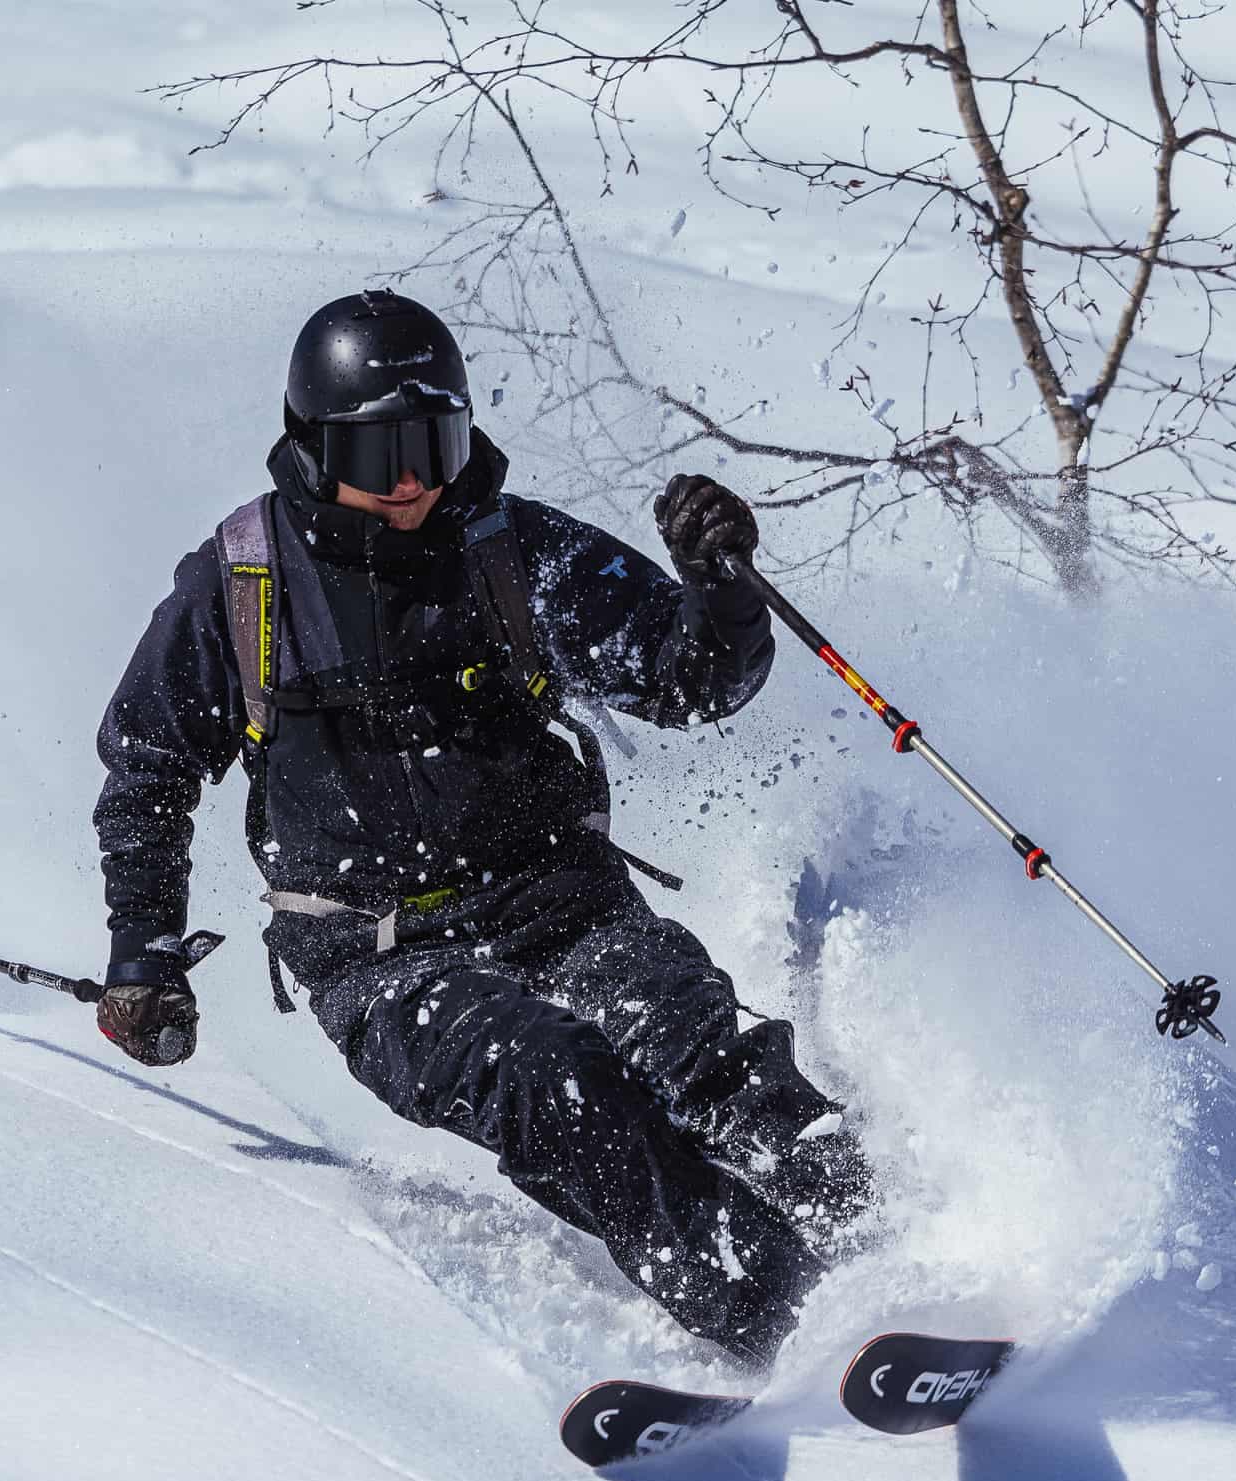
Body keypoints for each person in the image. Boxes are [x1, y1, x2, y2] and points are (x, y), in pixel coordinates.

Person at [91, 290, 870, 1362]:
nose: (413, 480)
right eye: (380, 455)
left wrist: (719, 594)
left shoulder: (515, 548)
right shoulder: (244, 584)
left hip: (563, 904)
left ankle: (881, 1252)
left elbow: (682, 682)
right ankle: (788, 1319)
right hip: (378, 959)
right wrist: (144, 954)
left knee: (696, 1050)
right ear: (313, 448)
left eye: (436, 443)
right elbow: (146, 767)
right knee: (561, 1079)